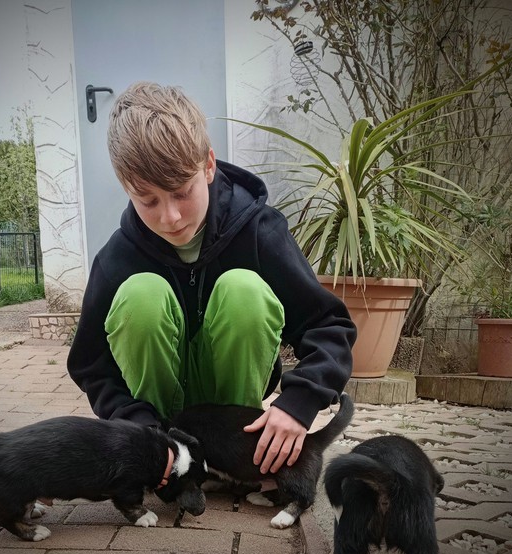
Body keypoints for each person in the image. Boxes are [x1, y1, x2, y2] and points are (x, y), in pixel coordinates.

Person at [67, 82, 356, 475]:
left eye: (181, 192)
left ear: (208, 165)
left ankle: (236, 460)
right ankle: (166, 457)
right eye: (148, 201)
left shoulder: (260, 232)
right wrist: (135, 425)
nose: (170, 217)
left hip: (234, 426)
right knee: (141, 295)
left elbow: (328, 325)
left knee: (244, 290)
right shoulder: (117, 257)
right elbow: (90, 363)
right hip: (161, 432)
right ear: (126, 188)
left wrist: (300, 402)